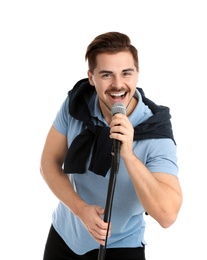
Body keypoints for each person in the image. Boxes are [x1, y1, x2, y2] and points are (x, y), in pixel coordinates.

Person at [40, 31, 183, 260]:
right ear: (91, 77)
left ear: (137, 74)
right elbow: (48, 163)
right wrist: (81, 210)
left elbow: (167, 215)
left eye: (126, 73)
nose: (118, 85)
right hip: (65, 236)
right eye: (106, 74)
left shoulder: (155, 131)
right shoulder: (77, 104)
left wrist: (128, 154)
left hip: (120, 246)